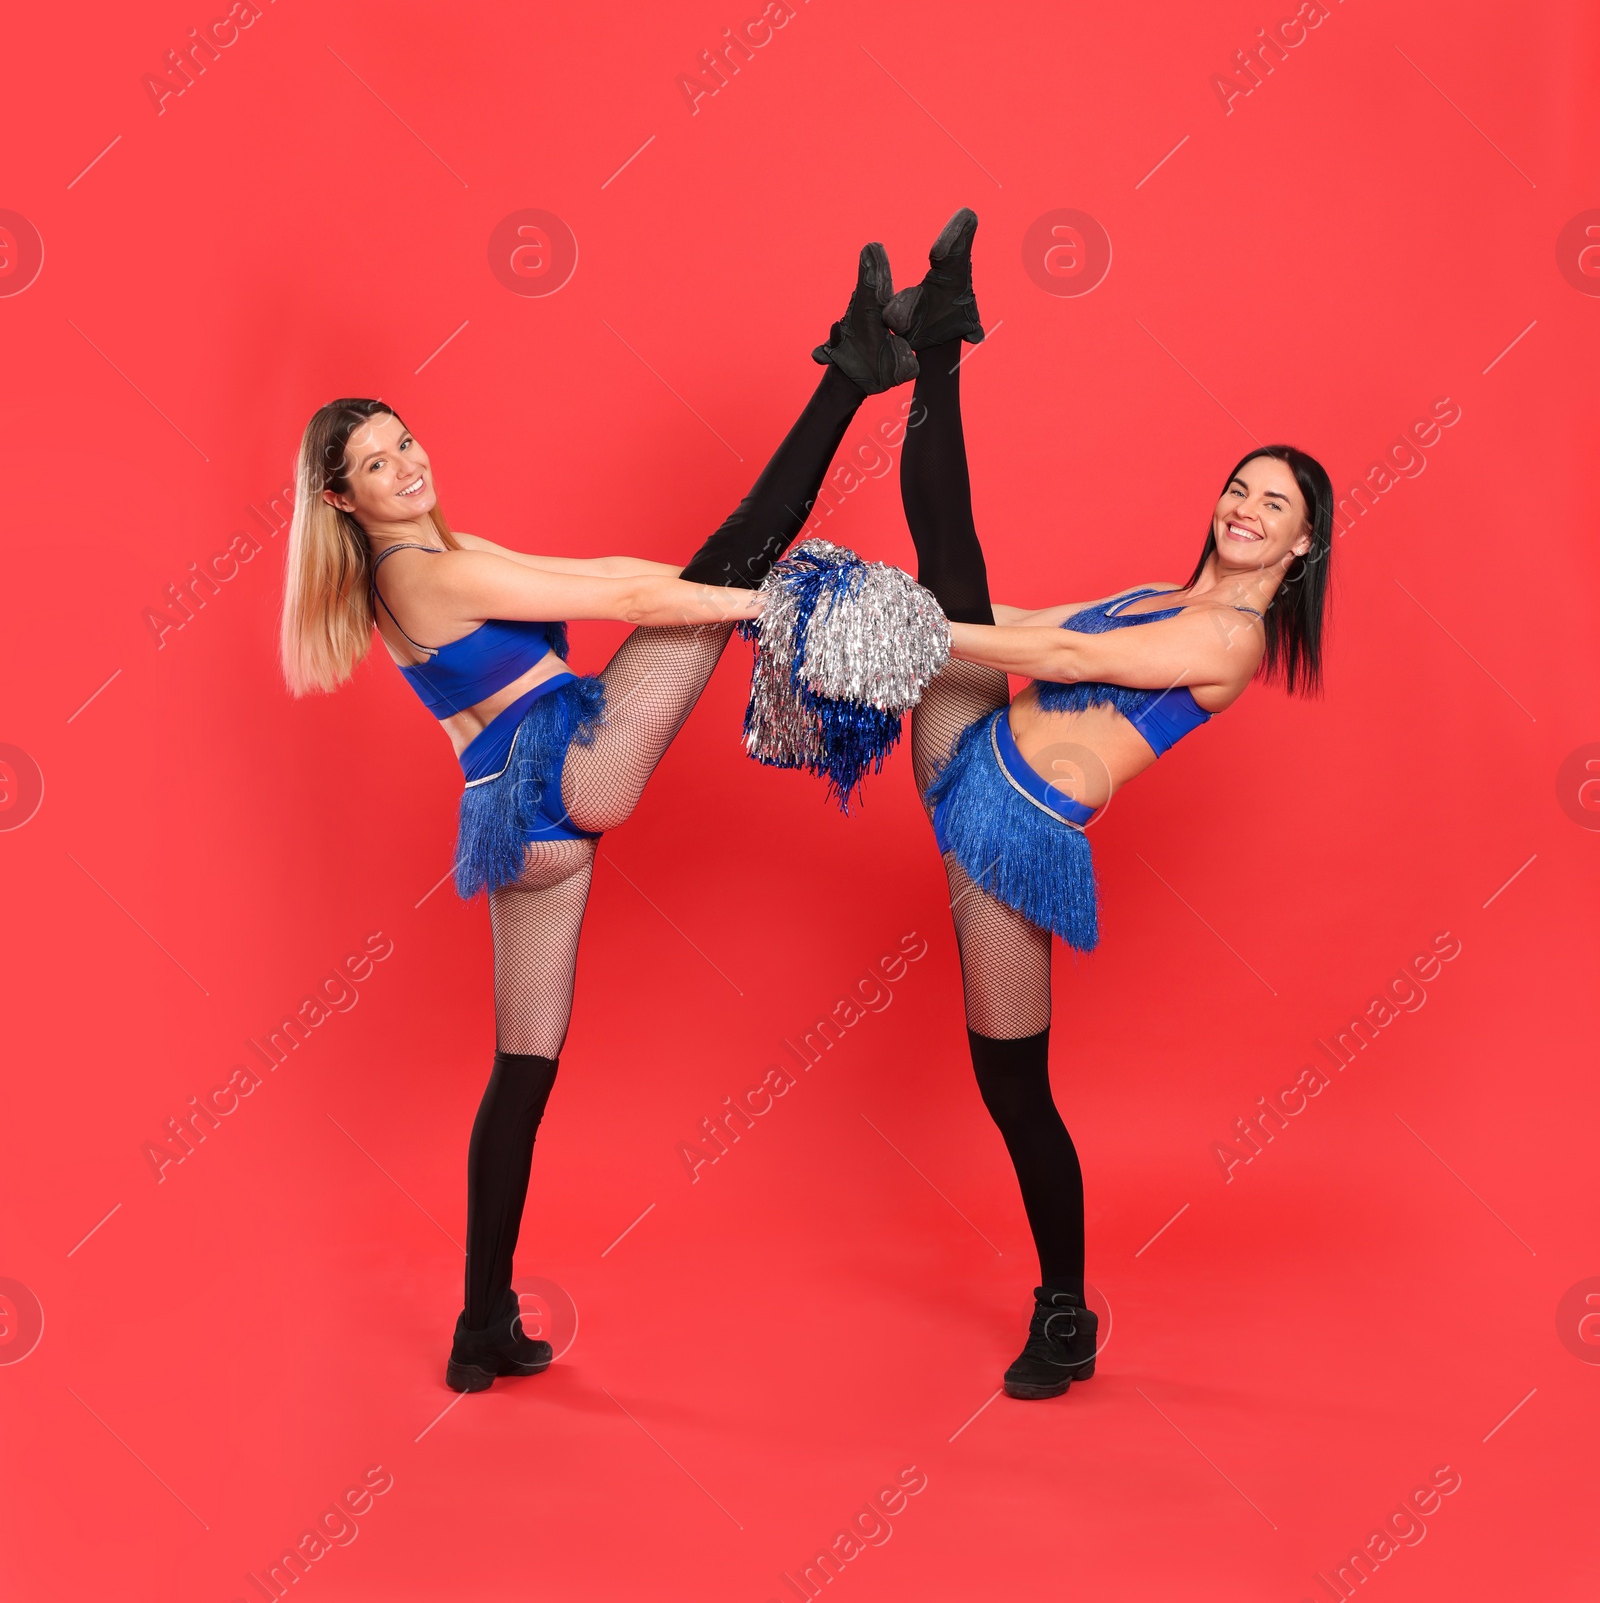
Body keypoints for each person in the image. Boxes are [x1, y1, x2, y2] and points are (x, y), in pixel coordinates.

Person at [279, 247, 920, 1392]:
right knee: (736, 552)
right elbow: (635, 600)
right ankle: (849, 374)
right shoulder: (417, 575)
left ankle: (482, 1323)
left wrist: (718, 596)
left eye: (405, 439)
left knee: (522, 1069)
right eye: (376, 463)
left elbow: (615, 570)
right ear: (342, 497)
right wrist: (763, 605)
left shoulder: (433, 556)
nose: (407, 464)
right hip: (570, 769)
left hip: (518, 828)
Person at [882, 209, 1333, 1399]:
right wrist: (941, 629)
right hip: (967, 748)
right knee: (951, 555)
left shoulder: (1227, 638)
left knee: (1009, 1084)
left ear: (1300, 544)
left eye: (1271, 504)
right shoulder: (1157, 588)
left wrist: (919, 637)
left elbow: (1080, 671)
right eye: (1239, 487)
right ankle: (940, 340)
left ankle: (1065, 1309)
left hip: (1011, 829)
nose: (1243, 507)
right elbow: (1037, 635)